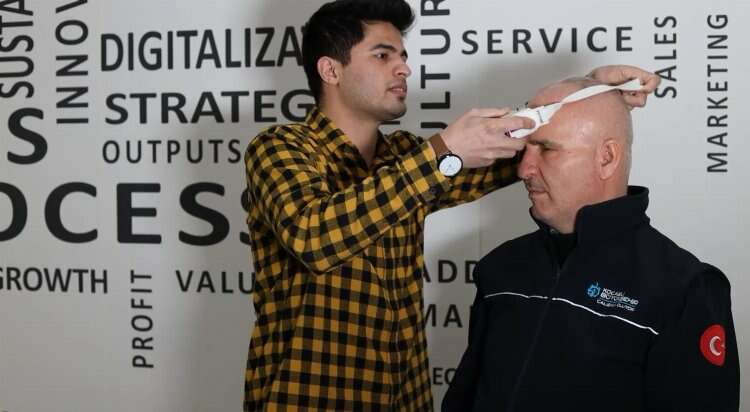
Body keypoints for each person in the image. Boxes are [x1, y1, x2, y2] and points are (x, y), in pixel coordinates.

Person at [243, 0, 660, 410]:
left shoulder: (403, 156)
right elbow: (313, 237)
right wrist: (443, 151)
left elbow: (523, 156)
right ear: (330, 70)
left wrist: (589, 91)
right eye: (383, 55)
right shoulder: (280, 148)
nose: (403, 68)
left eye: (403, 56)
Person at [442, 77, 739, 412]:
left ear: (606, 158)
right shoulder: (500, 268)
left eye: (547, 149)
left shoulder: (683, 288)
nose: (524, 169)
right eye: (525, 150)